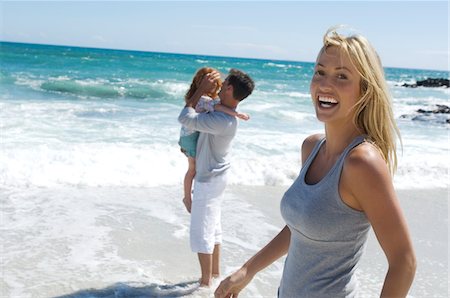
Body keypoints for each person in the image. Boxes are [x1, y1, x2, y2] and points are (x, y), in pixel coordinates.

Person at [215, 27, 416, 298]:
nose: (325, 84)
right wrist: (247, 271)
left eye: (342, 76)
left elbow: (404, 261)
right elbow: (302, 226)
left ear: (365, 90)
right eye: (320, 72)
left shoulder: (361, 163)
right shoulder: (311, 147)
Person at [178, 68, 255, 287]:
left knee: (202, 232)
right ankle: (213, 275)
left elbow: (184, 117)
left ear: (230, 88)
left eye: (224, 84)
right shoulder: (224, 115)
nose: (220, 86)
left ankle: (204, 286)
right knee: (213, 228)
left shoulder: (221, 120)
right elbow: (211, 107)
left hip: (209, 179)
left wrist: (199, 90)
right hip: (217, 177)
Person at [179, 67, 250, 213]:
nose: (219, 85)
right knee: (192, 169)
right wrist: (236, 114)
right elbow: (216, 107)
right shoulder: (204, 100)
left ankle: (191, 193)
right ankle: (187, 198)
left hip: (188, 136)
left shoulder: (200, 99)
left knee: (193, 168)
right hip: (190, 137)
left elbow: (218, 106)